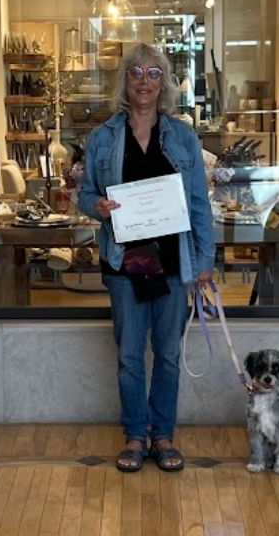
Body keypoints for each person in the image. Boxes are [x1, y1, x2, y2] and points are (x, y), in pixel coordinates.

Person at [78, 43, 215, 473]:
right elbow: (84, 195)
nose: (144, 81)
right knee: (130, 355)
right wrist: (95, 206)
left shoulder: (183, 136)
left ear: (164, 82)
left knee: (169, 355)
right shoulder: (102, 138)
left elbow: (198, 203)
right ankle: (135, 435)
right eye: (136, 72)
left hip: (173, 259)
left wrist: (205, 258)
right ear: (125, 80)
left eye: (153, 73)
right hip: (127, 259)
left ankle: (163, 435)